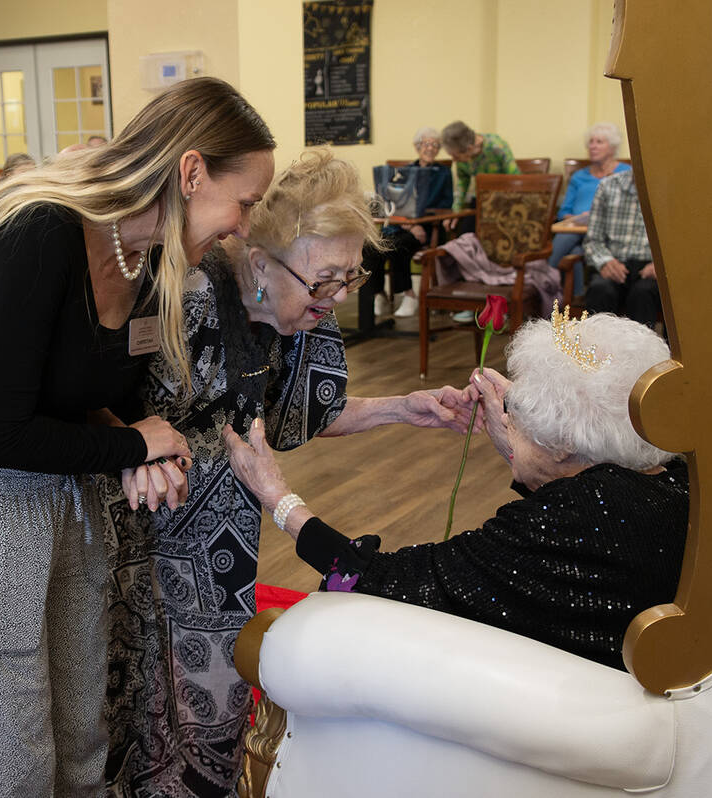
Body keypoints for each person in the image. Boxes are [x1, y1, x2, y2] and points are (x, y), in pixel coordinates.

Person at [0, 76, 276, 798]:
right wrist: (133, 448)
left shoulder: (145, 259)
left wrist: (125, 438)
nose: (243, 225)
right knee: (13, 768)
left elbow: (88, 394)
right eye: (246, 202)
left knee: (82, 746)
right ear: (192, 172)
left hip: (67, 501)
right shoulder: (41, 230)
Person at [101, 150, 474, 797]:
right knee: (137, 704)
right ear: (261, 261)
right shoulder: (184, 295)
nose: (335, 300)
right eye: (324, 279)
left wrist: (402, 408)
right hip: (137, 542)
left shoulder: (288, 313)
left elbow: (283, 418)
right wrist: (132, 443)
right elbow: (91, 395)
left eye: (350, 278)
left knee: (216, 710)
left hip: (221, 553)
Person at [225, 309, 688, 670]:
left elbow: (377, 579)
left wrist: (279, 499)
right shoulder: (670, 479)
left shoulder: (567, 519)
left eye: (518, 411)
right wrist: (513, 436)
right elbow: (564, 478)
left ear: (565, 446)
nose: (507, 414)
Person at [366, 126, 453, 318]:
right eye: (426, 144)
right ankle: (378, 293)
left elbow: (447, 204)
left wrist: (419, 224)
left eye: (435, 144)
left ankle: (409, 295)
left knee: (399, 246)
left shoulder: (443, 173)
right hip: (403, 225)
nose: (430, 148)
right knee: (372, 246)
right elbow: (394, 204)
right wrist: (410, 224)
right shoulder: (405, 172)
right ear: (417, 147)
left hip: (430, 228)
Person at [552, 123, 631, 294]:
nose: (592, 146)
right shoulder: (579, 176)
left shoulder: (626, 173)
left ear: (612, 147)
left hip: (607, 233)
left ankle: (545, 274)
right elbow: (564, 211)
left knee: (573, 250)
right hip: (578, 228)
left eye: (599, 142)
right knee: (572, 244)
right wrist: (577, 218)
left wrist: (596, 218)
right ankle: (576, 300)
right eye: (591, 142)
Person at [582, 170, 661, 328]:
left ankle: (642, 352)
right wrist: (605, 262)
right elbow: (592, 240)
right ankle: (593, 349)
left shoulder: (669, 188)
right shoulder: (607, 186)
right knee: (600, 290)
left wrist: (661, 265)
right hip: (613, 263)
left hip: (651, 268)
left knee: (643, 293)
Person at [441, 119, 520, 220]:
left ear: (469, 149)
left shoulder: (497, 146)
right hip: (479, 199)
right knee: (465, 231)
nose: (454, 160)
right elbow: (462, 182)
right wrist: (455, 212)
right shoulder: (462, 155)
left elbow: (515, 177)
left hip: (505, 199)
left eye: (456, 156)